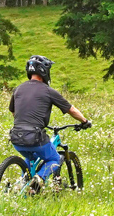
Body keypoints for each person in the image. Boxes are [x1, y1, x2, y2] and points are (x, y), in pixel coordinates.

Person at [7, 55, 89, 183]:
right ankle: (38, 180)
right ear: (44, 71)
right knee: (54, 159)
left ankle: (23, 183)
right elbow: (71, 110)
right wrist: (84, 121)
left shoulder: (18, 89)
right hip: (35, 137)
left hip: (16, 137)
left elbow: (13, 112)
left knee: (30, 157)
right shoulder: (48, 91)